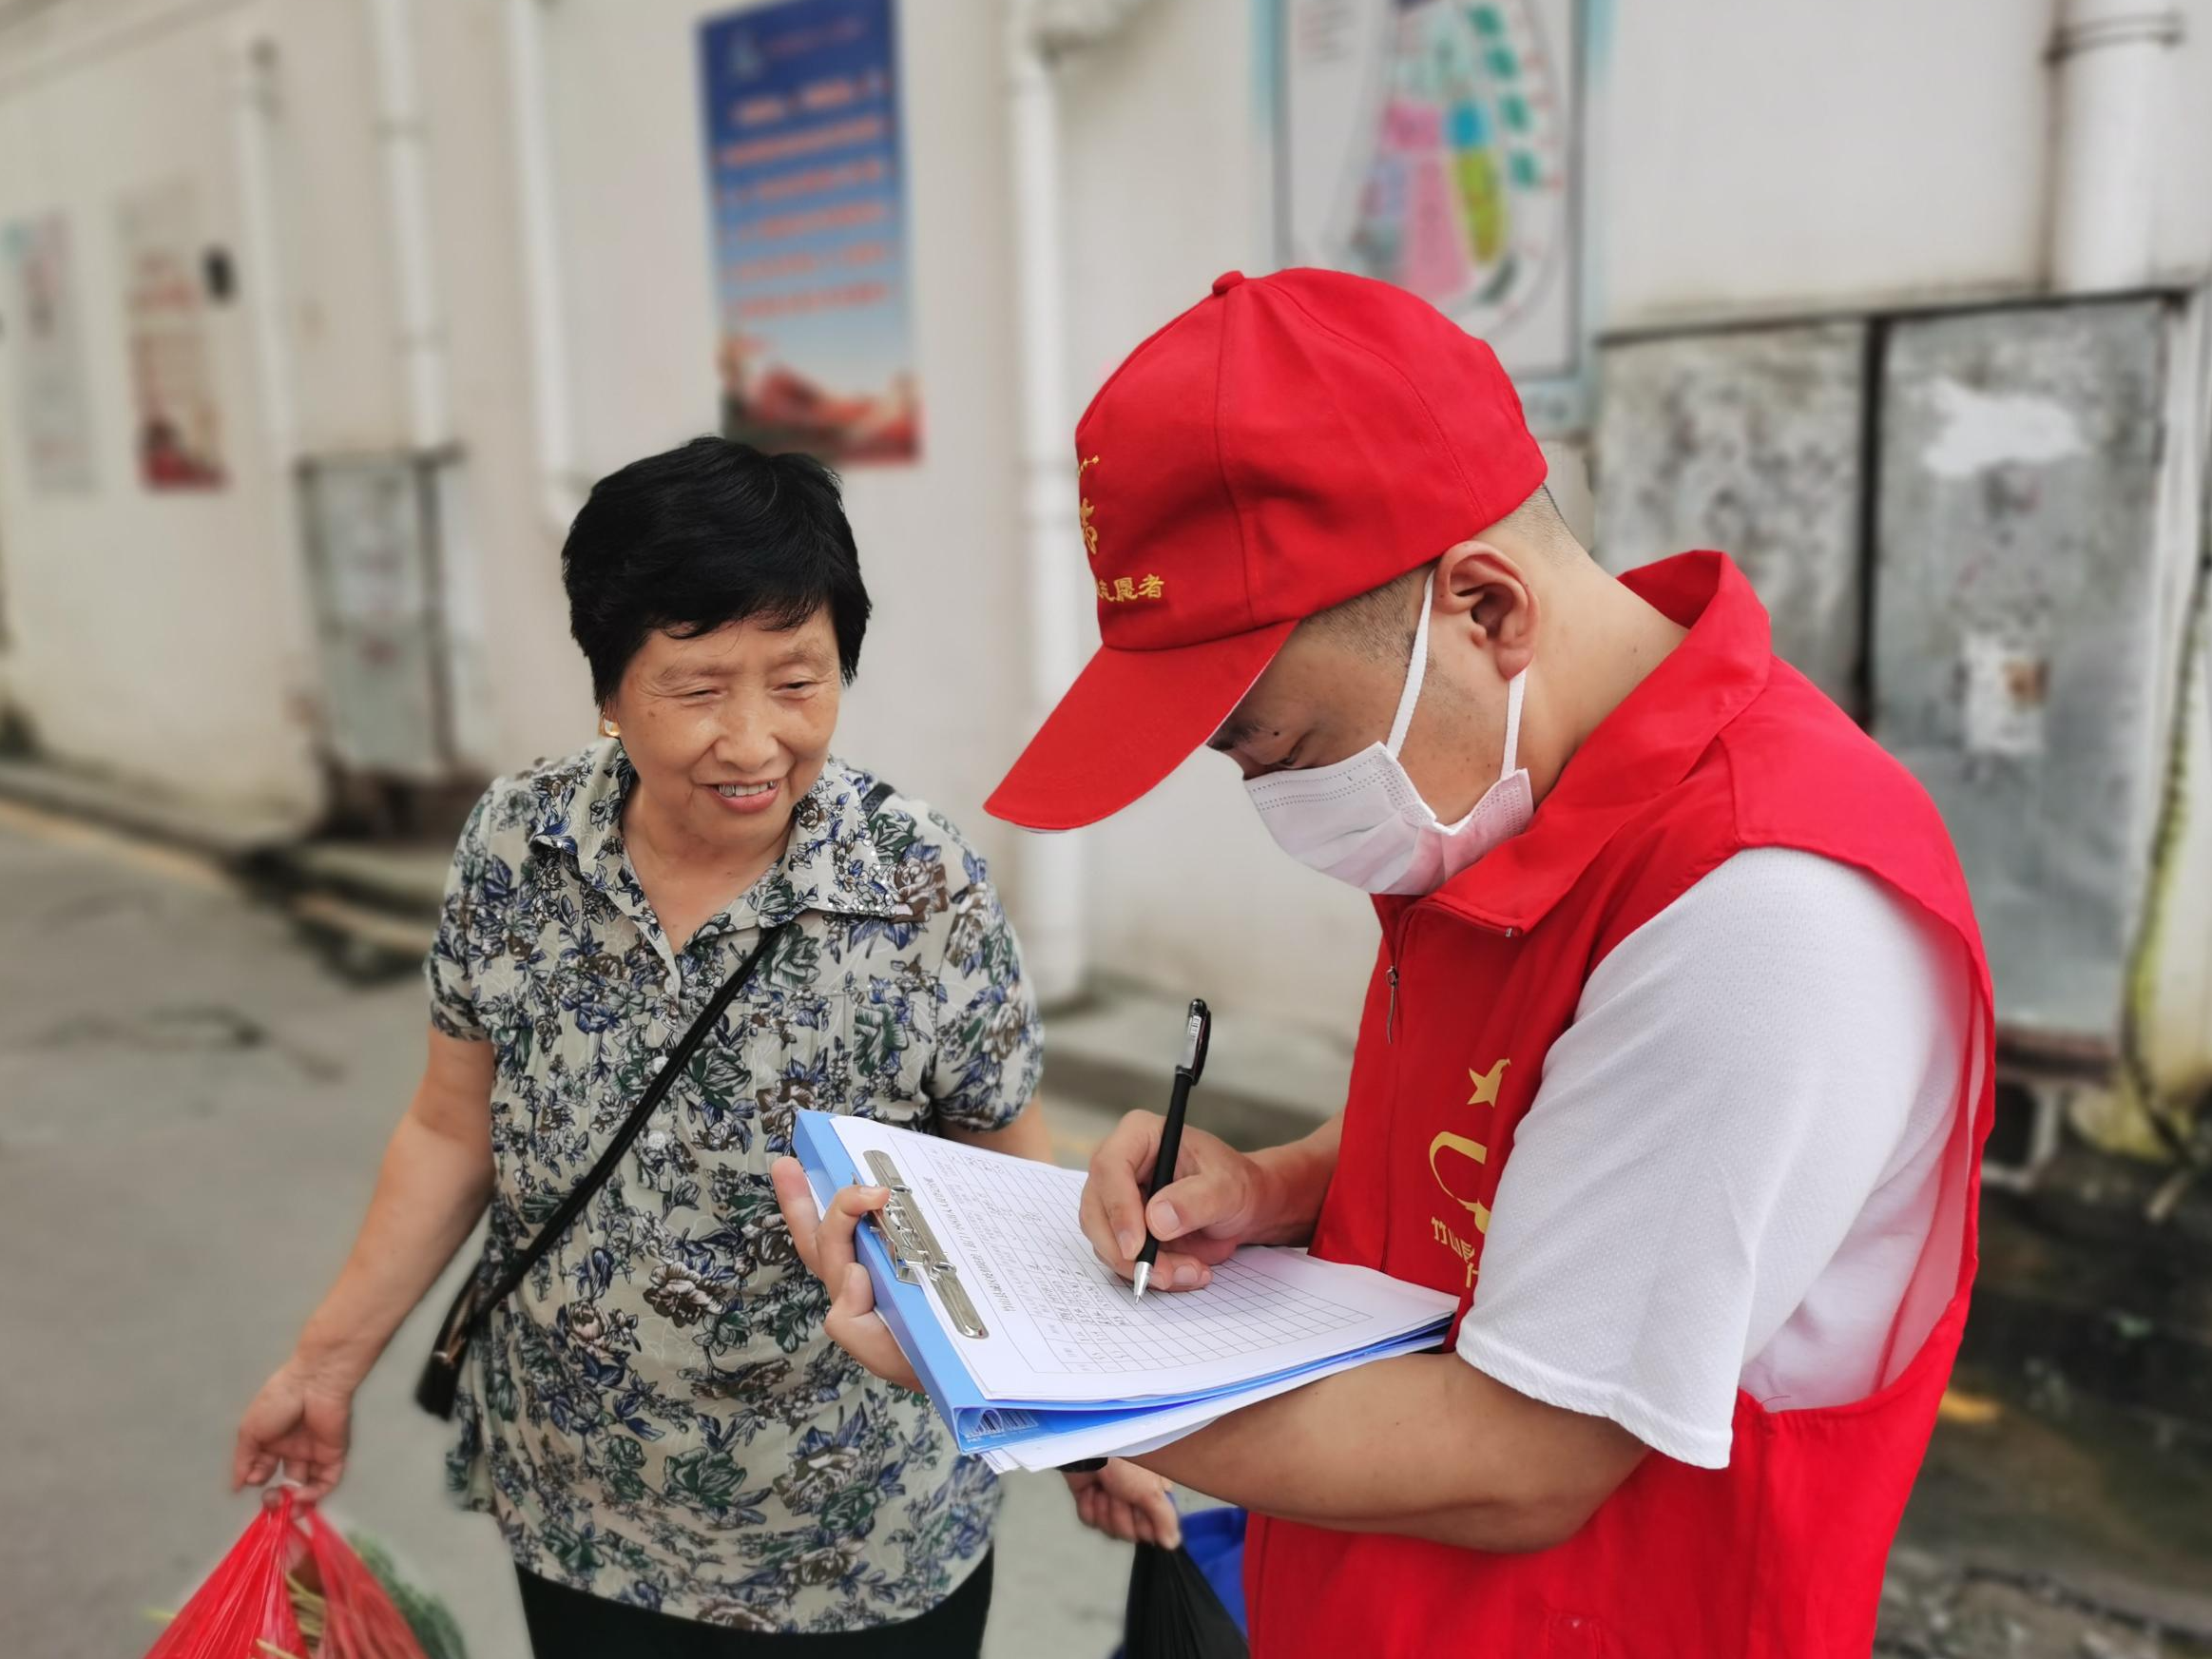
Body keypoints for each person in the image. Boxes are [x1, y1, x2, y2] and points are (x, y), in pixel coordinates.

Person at [774, 270, 1994, 1656]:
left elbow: (1526, 1455)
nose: (1270, 797)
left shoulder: (1760, 912)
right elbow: (1518, 1126)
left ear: (1484, 610)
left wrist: (1014, 1373)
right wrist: (1275, 1188)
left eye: (1278, 747)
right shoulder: (1518, 801)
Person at [232, 438, 1175, 1655]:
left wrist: (1081, 1428)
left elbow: (1004, 1177)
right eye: (695, 686)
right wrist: (323, 1363)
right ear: (609, 686)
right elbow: (451, 1127)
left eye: (798, 681)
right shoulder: (519, 848)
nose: (752, 741)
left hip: (862, 1525)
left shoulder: (918, 881)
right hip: (586, 1505)